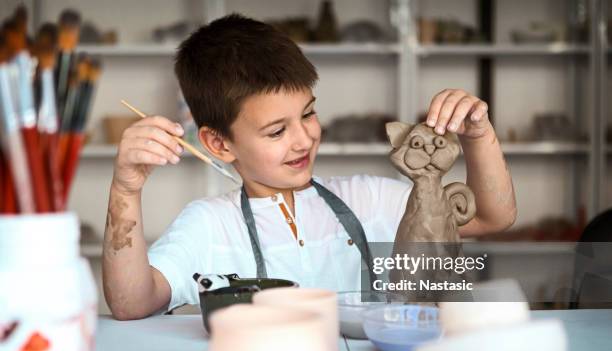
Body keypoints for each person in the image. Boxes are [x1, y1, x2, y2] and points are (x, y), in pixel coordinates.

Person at [101, 14, 517, 320]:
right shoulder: (210, 225)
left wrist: (478, 135)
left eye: (309, 114)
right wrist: (125, 190)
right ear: (219, 143)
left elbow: (490, 216)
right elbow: (131, 303)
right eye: (277, 131)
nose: (303, 139)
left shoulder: (368, 199)